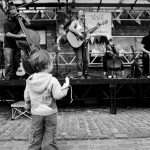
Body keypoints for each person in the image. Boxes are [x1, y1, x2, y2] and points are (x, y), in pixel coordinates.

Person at [24, 49, 69, 150]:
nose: (52, 65)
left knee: (35, 135)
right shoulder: (53, 80)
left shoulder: (30, 79)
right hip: (50, 113)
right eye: (52, 62)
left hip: (36, 113)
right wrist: (65, 87)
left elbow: (27, 96)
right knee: (50, 135)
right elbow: (58, 95)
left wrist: (27, 106)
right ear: (48, 65)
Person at [68, 10, 99, 78]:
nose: (83, 13)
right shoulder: (75, 22)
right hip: (77, 42)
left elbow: (88, 32)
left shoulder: (85, 24)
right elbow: (70, 28)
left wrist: (96, 27)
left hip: (84, 42)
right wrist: (78, 33)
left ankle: (85, 73)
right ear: (77, 15)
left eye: (83, 13)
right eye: (81, 12)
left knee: (85, 59)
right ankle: (80, 75)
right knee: (79, 59)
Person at [3, 5, 30, 80]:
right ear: (9, 15)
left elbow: (28, 23)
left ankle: (14, 77)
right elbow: (8, 34)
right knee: (8, 63)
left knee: (17, 62)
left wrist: (22, 16)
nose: (15, 15)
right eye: (13, 14)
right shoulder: (6, 23)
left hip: (18, 45)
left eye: (15, 13)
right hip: (9, 46)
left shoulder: (19, 21)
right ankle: (7, 78)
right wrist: (20, 36)